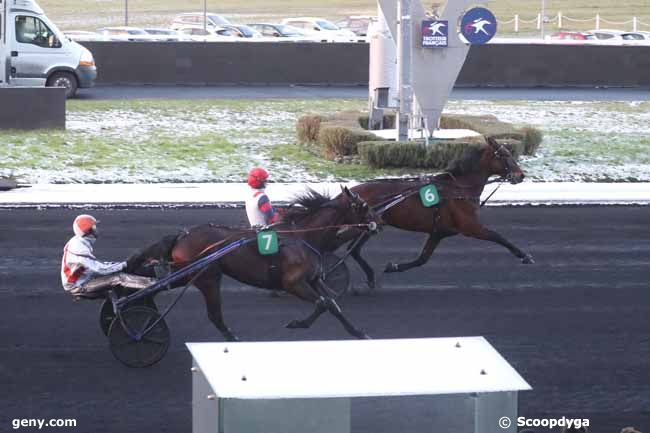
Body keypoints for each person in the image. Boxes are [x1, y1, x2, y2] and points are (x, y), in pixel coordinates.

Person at [61, 214, 154, 298]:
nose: (96, 230)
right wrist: (124, 265)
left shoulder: (79, 241)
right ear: (88, 232)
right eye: (94, 228)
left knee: (115, 272)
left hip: (84, 277)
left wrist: (119, 265)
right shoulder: (79, 249)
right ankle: (153, 283)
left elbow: (95, 265)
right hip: (77, 285)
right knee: (118, 278)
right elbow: (101, 269)